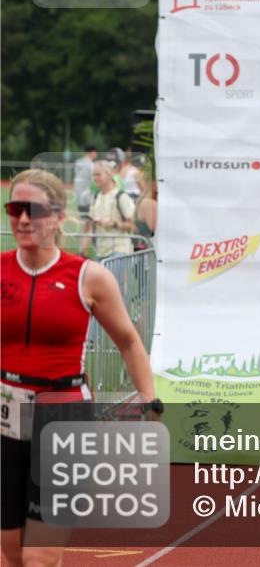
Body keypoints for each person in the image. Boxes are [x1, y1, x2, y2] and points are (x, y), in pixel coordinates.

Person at [1, 169, 160, 567]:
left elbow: (128, 341)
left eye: (33, 210)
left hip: (64, 413)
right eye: (14, 209)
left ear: (57, 217)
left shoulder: (89, 277)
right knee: (10, 553)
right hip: (6, 414)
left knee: (40, 556)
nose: (22, 220)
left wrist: (150, 403)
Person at [90, 161, 135, 259]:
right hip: (100, 251)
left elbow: (133, 226)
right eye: (93, 175)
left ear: (109, 175)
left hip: (119, 250)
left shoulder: (121, 196)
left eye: (98, 174)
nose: (94, 178)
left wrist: (115, 223)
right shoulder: (95, 197)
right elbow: (90, 223)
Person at [73, 146, 98, 256]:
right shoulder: (90, 165)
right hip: (88, 199)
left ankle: (81, 249)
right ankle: (83, 251)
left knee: (86, 225)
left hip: (79, 197)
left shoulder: (78, 163)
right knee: (90, 226)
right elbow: (94, 182)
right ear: (92, 152)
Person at [134, 179, 157, 251]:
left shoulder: (146, 200)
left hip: (147, 250)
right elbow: (156, 228)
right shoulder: (149, 203)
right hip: (148, 251)